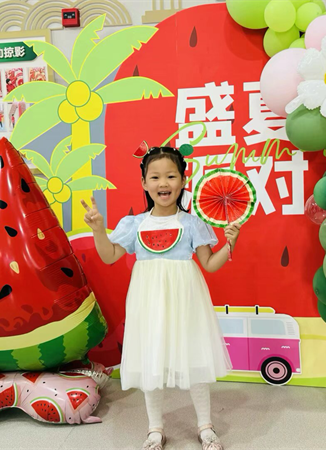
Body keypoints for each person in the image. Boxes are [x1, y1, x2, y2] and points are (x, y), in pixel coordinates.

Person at [81, 147, 241, 450]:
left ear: (183, 181)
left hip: (187, 299)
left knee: (194, 358)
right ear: (144, 183)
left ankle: (205, 426)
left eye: (171, 176)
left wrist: (230, 243)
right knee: (151, 359)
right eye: (155, 177)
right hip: (148, 300)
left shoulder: (192, 223)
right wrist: (99, 230)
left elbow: (209, 264)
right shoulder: (134, 224)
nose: (163, 183)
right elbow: (110, 255)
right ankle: (155, 429)